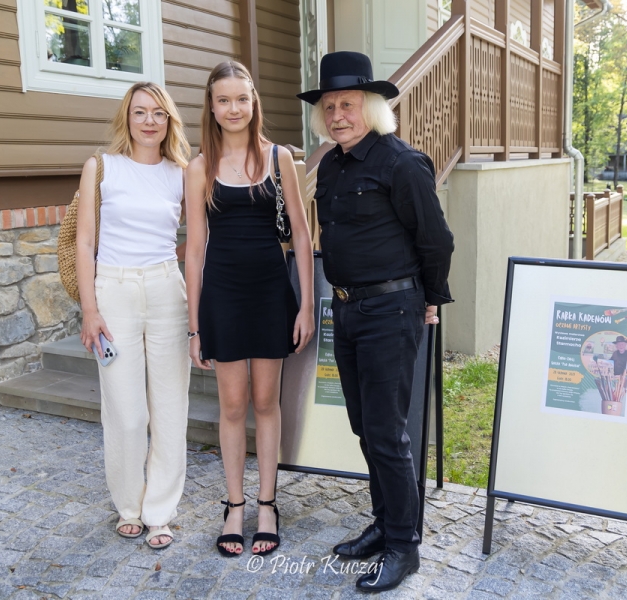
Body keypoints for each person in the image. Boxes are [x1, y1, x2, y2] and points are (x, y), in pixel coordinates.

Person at [298, 51, 455, 593]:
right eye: (329, 106)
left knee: (387, 432)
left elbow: (436, 240)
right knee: (365, 426)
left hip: (391, 310)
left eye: (348, 104)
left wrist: (430, 298)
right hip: (346, 309)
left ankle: (404, 547)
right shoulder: (332, 165)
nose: (337, 115)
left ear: (370, 106)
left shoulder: (401, 163)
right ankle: (386, 524)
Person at [185, 61, 315, 558]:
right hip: (223, 297)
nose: (234, 108)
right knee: (233, 405)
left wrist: (305, 304)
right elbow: (194, 251)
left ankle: (267, 506)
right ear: (212, 106)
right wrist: (195, 326)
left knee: (266, 401)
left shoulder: (280, 158)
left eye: (242, 98)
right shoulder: (199, 167)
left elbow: (301, 234)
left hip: (269, 294)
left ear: (254, 101)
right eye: (224, 100)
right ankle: (234, 507)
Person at [75, 81, 191, 550]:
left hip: (166, 291)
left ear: (169, 121)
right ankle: (128, 506)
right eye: (140, 112)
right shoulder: (101, 167)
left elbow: (200, 238)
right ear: (127, 117)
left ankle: (160, 511)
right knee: (125, 411)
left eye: (159, 113)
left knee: (170, 407)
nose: (149, 121)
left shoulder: (181, 172)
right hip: (114, 292)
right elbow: (85, 241)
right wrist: (89, 309)